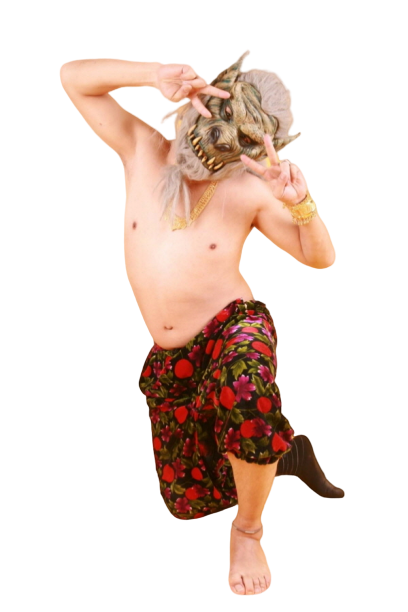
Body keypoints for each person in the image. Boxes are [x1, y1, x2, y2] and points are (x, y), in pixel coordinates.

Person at [59, 51, 344, 597]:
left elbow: (320, 259)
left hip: (234, 329)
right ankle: (284, 455)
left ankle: (249, 530)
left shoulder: (247, 189)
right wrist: (152, 74)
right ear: (198, 101)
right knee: (187, 502)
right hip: (173, 358)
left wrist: (302, 203)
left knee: (247, 400)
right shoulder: (143, 150)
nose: (216, 138)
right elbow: (71, 77)